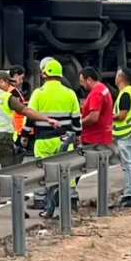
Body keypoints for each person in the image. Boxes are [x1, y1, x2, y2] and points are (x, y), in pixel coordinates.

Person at [21, 59, 82, 218]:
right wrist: (78, 137)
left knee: (43, 170)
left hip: (44, 140)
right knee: (66, 170)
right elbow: (76, 119)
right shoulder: (70, 94)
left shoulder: (38, 93)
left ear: (44, 75)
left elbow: (29, 117)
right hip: (65, 139)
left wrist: (25, 135)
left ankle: (41, 200)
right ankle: (69, 198)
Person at [0, 70, 60, 171]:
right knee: (9, 172)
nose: (9, 87)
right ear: (2, 81)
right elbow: (25, 110)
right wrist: (47, 119)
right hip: (3, 139)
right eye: (8, 83)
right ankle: (7, 187)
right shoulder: (5, 97)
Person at [112, 67, 131, 208]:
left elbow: (122, 116)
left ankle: (129, 195)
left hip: (126, 134)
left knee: (127, 165)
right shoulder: (130, 92)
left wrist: (110, 117)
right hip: (130, 134)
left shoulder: (125, 94)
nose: (115, 77)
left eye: (117, 75)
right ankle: (130, 194)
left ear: (120, 78)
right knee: (128, 165)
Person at [79, 67, 114, 146]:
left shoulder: (96, 93)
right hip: (103, 137)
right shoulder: (103, 88)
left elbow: (93, 117)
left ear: (89, 79)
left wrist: (80, 123)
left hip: (93, 139)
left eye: (82, 81)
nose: (81, 84)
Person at [8, 65, 28, 163]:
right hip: (17, 128)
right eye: (21, 78)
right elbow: (18, 108)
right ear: (16, 75)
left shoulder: (7, 89)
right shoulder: (14, 91)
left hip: (12, 127)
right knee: (17, 156)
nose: (22, 81)